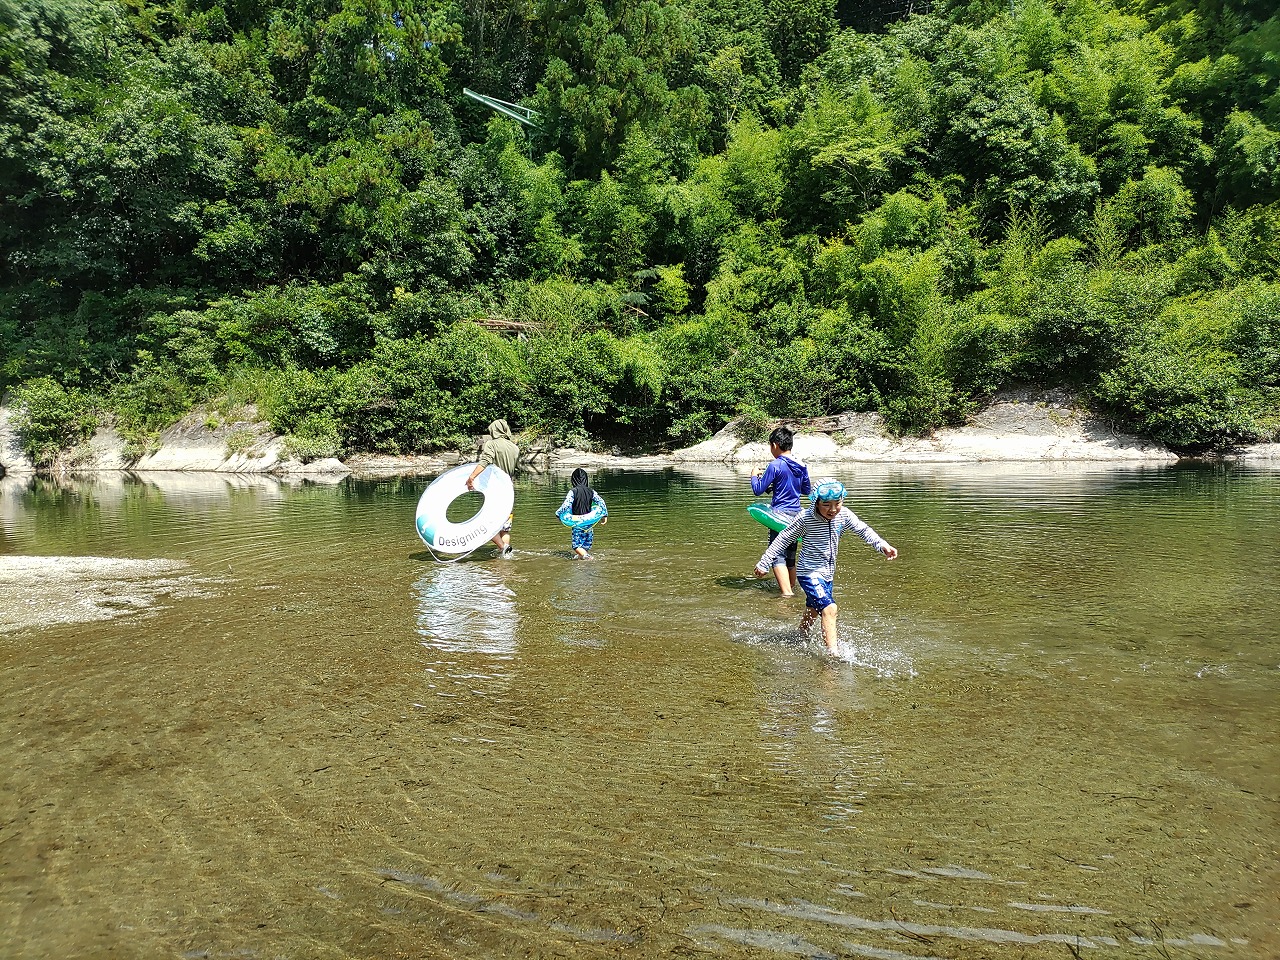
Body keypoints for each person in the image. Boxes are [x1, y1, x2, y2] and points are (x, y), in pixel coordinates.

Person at [750, 478, 898, 656]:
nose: (833, 509)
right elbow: (783, 538)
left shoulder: (844, 515)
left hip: (827, 574)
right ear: (816, 502)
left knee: (813, 609)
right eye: (826, 504)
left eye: (838, 503)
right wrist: (764, 562)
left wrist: (882, 545)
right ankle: (832, 655)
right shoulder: (805, 519)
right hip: (808, 573)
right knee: (829, 608)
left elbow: (863, 530)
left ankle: (800, 634)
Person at [750, 426, 811, 597]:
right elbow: (806, 490)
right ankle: (791, 589)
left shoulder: (775, 465)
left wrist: (754, 475)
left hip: (778, 517)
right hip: (796, 516)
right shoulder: (801, 465)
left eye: (770, 446)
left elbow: (758, 490)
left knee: (776, 555)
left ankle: (786, 596)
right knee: (790, 558)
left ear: (775, 445)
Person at [466, 418, 519, 556]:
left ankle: (501, 547)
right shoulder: (514, 447)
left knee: (485, 524)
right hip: (509, 491)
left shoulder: (491, 444)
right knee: (505, 528)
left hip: (495, 491)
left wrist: (472, 477)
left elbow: (485, 461)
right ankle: (505, 552)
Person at [556, 468, 609, 559]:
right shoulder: (591, 491)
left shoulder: (573, 492)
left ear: (573, 480)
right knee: (585, 545)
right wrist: (605, 515)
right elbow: (601, 502)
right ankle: (584, 559)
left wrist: (558, 513)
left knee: (576, 546)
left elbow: (566, 505)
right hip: (589, 522)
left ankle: (587, 557)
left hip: (577, 523)